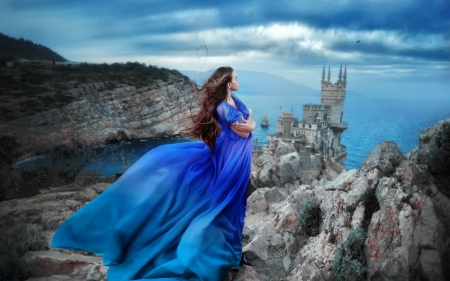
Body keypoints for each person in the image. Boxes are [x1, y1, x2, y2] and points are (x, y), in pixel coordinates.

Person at [52, 66, 256, 280]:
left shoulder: (233, 101)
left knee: (237, 202)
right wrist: (250, 118)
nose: (238, 80)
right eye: (236, 77)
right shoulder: (224, 107)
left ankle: (234, 250)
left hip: (236, 160)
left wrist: (248, 119)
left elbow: (244, 124)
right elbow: (245, 128)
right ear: (227, 83)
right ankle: (224, 251)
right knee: (225, 202)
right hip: (227, 160)